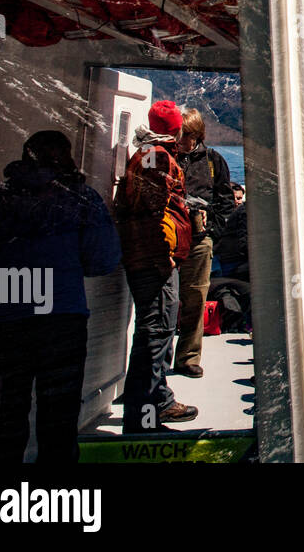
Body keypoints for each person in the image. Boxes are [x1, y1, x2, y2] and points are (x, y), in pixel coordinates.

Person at [0, 130, 121, 462]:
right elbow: (103, 259)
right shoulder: (81, 198)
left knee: (2, 427)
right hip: (62, 322)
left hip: (3, 325)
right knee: (58, 427)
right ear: (67, 157)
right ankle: (54, 505)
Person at [113, 100, 197, 432]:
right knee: (156, 333)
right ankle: (143, 418)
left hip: (141, 255)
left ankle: (159, 399)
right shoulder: (158, 158)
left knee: (155, 331)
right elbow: (153, 211)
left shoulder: (145, 154)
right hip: (153, 260)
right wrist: (164, 258)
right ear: (175, 128)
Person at [172, 108, 233, 377]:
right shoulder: (166, 157)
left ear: (197, 135)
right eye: (177, 132)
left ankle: (188, 357)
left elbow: (225, 201)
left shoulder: (213, 160)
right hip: (168, 240)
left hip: (199, 240)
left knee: (195, 299)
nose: (179, 139)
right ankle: (159, 360)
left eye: (185, 134)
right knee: (166, 299)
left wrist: (212, 233)